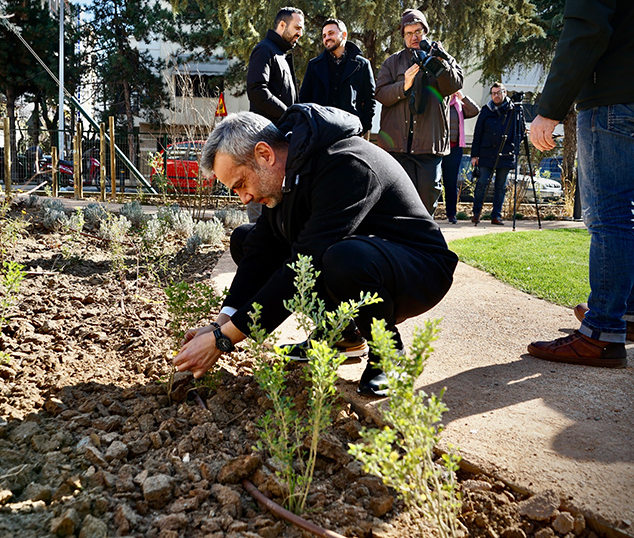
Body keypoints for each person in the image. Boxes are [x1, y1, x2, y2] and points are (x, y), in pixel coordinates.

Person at [171, 104, 458, 397]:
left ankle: (389, 354)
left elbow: (303, 265)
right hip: (364, 256)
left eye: (242, 183)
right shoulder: (288, 173)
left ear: (264, 154)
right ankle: (342, 335)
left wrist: (225, 339)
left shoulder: (344, 163)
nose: (244, 198)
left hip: (419, 268)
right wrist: (220, 323)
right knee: (246, 238)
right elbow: (261, 251)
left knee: (340, 259)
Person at [527, 0, 634, 367]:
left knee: (612, 215)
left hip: (616, 96)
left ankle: (601, 333)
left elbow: (587, 28)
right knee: (632, 210)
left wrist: (549, 109)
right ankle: (624, 318)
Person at [374, 8, 463, 216]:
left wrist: (441, 62)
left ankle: (424, 246)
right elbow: (380, 94)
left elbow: (455, 84)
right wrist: (404, 85)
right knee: (397, 203)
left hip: (428, 147)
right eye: (409, 32)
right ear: (403, 36)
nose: (414, 37)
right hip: (397, 146)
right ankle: (397, 246)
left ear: (425, 32)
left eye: (418, 32)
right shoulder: (392, 62)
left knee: (426, 203)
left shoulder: (441, 56)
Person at [245, 6, 304, 223]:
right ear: (282, 25)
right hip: (264, 136)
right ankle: (255, 241)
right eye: (297, 27)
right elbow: (257, 90)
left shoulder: (281, 54)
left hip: (277, 137)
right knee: (260, 189)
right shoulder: (265, 50)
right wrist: (289, 114)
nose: (300, 33)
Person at [298, 18, 376, 137]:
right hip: (321, 131)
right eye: (324, 35)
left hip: (351, 131)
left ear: (344, 35)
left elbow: (370, 99)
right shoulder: (314, 65)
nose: (326, 38)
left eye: (331, 33)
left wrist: (363, 127)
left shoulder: (362, 64)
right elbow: (304, 99)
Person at [469, 83, 522, 226]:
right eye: (493, 93)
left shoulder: (513, 110)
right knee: (481, 184)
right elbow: (478, 133)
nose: (496, 96)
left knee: (501, 186)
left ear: (505, 92)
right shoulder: (486, 110)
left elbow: (520, 132)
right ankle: (476, 213)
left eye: (498, 93)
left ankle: (496, 216)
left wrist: (514, 147)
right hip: (486, 153)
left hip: (506, 154)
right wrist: (475, 155)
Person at [440, 90, 478, 223]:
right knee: (432, 181)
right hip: (437, 149)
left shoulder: (459, 105)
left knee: (450, 183)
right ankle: (429, 213)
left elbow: (474, 110)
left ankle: (451, 214)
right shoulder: (438, 102)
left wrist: (462, 97)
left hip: (454, 149)